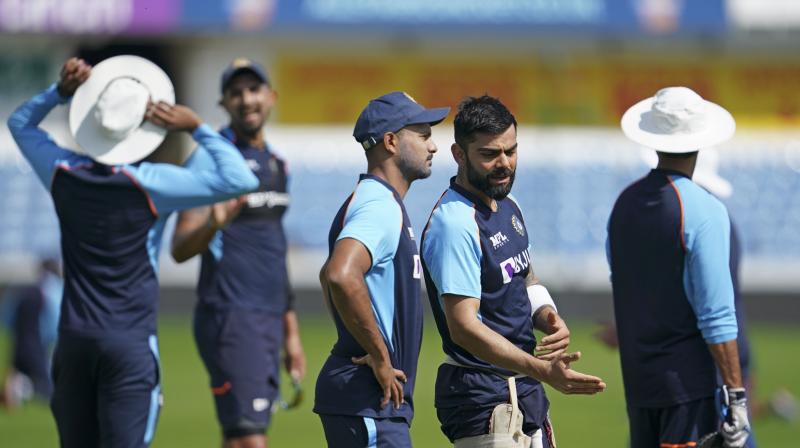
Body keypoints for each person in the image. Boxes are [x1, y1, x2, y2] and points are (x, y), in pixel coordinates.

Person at [7, 57, 258, 448]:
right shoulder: (153, 184)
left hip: (73, 344)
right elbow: (241, 178)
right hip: (129, 344)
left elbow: (19, 123)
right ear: (140, 131)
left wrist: (59, 93)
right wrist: (196, 127)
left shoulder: (61, 172)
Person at [420, 95, 606, 448]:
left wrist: (548, 315)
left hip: (524, 389)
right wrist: (542, 370)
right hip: (483, 395)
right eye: (489, 154)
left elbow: (524, 275)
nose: (504, 163)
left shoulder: (508, 204)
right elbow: (463, 328)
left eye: (511, 151)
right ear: (459, 155)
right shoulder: (455, 224)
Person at [170, 58, 306, 448]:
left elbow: (274, 249)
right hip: (230, 313)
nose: (246, 99)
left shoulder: (278, 163)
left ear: (271, 97)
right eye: (236, 92)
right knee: (249, 439)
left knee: (240, 435)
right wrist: (214, 224)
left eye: (253, 89)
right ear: (224, 103)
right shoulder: (212, 157)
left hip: (266, 317)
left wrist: (290, 334)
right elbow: (179, 247)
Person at [608, 86, 750, 447]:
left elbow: (625, 285)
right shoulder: (704, 210)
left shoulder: (623, 205)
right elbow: (717, 314)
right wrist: (737, 396)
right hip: (690, 392)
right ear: (700, 139)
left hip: (639, 388)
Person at [315, 91, 449, 447]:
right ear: (391, 141)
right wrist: (377, 354)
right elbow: (339, 275)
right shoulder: (380, 205)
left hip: (367, 402)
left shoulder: (376, 201)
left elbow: (328, 276)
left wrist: (354, 334)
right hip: (368, 401)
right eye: (422, 134)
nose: (433, 146)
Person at [1, 259, 62, 408]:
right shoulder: (53, 290)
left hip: (19, 343)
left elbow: (7, 318)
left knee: (30, 375)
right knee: (46, 390)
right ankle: (21, 387)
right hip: (37, 344)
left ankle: (17, 385)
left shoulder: (24, 291)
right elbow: (55, 322)